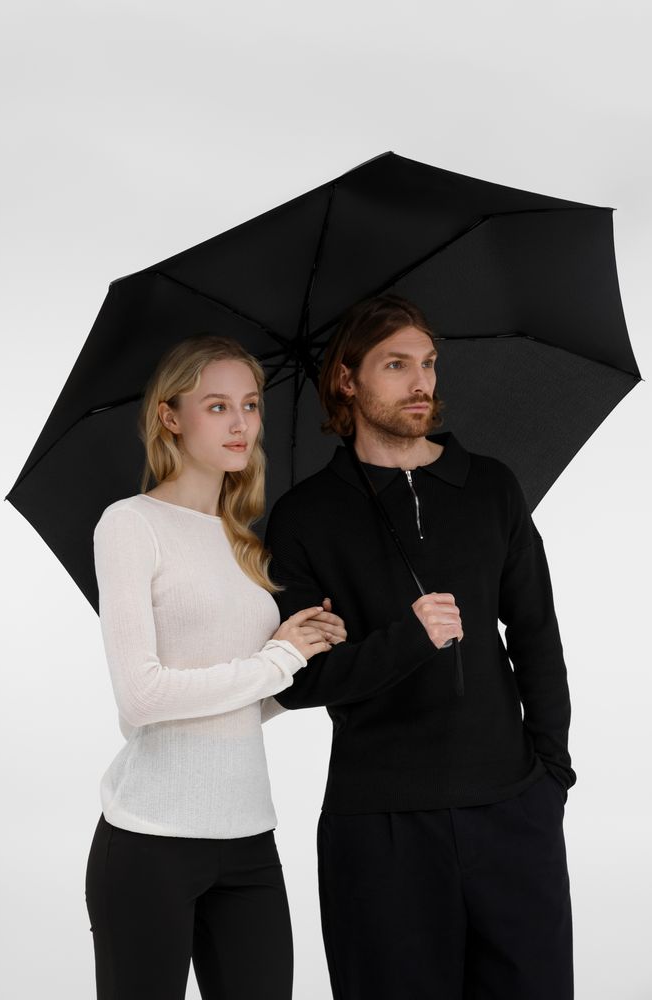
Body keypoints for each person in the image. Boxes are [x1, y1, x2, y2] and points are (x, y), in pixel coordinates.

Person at [264, 294, 576, 999]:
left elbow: (535, 633)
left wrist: (549, 777)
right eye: (396, 365)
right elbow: (299, 681)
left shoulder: (489, 486)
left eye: (428, 363)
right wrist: (408, 639)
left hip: (510, 808)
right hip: (378, 825)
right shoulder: (305, 516)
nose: (421, 383)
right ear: (347, 380)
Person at [85, 334, 347, 1000]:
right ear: (170, 416)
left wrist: (302, 659)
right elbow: (142, 697)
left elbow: (241, 706)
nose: (241, 424)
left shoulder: (246, 544)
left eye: (251, 405)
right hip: (150, 840)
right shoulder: (130, 524)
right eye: (217, 406)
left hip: (249, 838)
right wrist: (278, 659)